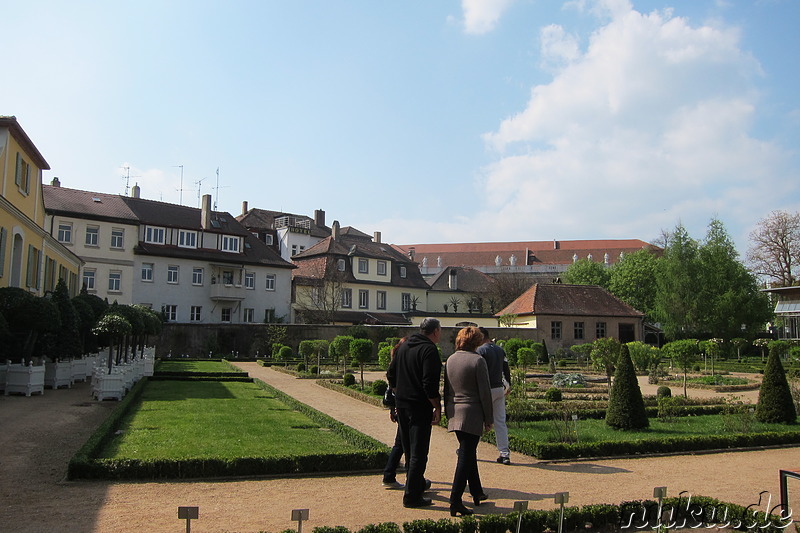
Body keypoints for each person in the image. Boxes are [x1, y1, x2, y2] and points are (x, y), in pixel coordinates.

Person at [386, 317, 443, 508]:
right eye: (439, 331)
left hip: (402, 404)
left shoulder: (404, 347)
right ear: (435, 331)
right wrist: (437, 405)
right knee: (419, 451)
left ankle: (416, 485)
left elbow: (390, 374)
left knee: (409, 449)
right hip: (419, 405)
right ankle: (411, 496)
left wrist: (398, 391)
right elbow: (429, 383)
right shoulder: (429, 350)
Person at [444, 326, 493, 517]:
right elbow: (485, 393)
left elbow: (447, 389)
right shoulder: (478, 360)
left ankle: (476, 491)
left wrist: (448, 412)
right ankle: (455, 500)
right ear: (477, 341)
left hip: (455, 411)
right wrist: (489, 418)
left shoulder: (450, 359)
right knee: (465, 455)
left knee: (468, 452)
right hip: (472, 412)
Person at [477, 326, 512, 465]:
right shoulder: (499, 349)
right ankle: (504, 454)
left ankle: (470, 450)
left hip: (486, 389)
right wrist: (508, 385)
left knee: (477, 421)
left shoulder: (480, 351)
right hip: (499, 389)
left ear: (481, 337)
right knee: (500, 422)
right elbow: (506, 369)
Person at [381, 338, 407, 489]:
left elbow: (392, 387)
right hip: (403, 407)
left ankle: (390, 475)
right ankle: (389, 475)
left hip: (398, 407)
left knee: (401, 443)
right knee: (403, 444)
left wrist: (392, 409)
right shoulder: (402, 363)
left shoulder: (395, 362)